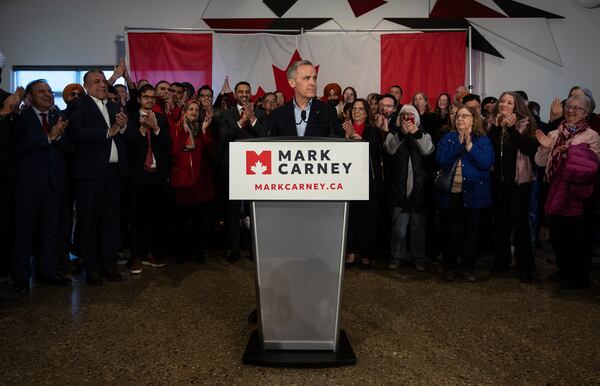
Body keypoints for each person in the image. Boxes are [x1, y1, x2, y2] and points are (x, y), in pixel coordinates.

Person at [11, 80, 73, 292]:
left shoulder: (59, 117)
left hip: (54, 185)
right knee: (24, 233)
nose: (47, 94)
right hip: (29, 185)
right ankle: (20, 277)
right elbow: (18, 147)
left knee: (51, 232)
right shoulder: (21, 119)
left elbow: (69, 149)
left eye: (49, 91)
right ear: (30, 97)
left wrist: (60, 135)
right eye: (41, 92)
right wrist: (48, 137)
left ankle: (48, 272)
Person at [69, 69, 129, 286]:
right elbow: (76, 133)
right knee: (89, 223)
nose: (102, 85)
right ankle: (91, 268)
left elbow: (121, 136)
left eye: (104, 81)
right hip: (89, 176)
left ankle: (108, 265)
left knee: (111, 222)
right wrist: (108, 132)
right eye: (96, 82)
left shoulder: (114, 106)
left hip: (113, 174)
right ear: (86, 86)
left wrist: (122, 128)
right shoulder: (78, 105)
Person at [535, 94, 600, 289]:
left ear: (586, 113)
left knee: (578, 238)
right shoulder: (555, 133)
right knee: (558, 236)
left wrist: (566, 150)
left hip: (578, 194)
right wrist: (546, 148)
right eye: (568, 107)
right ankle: (563, 270)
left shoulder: (592, 136)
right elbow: (539, 162)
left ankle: (578, 277)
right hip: (556, 190)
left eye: (577, 108)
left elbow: (592, 166)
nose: (571, 111)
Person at [436, 105, 494, 282]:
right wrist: (458, 146)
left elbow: (486, 163)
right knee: (451, 232)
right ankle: (449, 267)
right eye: (458, 116)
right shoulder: (448, 138)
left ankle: (468, 267)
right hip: (452, 193)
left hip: (475, 194)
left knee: (471, 232)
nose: (460, 119)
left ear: (473, 119)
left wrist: (469, 145)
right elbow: (440, 161)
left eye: (465, 116)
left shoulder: (483, 140)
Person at [488, 92, 539, 283]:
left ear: (516, 106)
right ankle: (501, 262)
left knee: (520, 226)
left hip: (519, 183)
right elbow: (490, 146)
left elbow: (528, 148)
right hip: (498, 181)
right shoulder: (492, 123)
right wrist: (498, 127)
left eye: (509, 102)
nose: (504, 105)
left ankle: (525, 266)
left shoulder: (526, 124)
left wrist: (510, 129)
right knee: (500, 224)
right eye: (502, 101)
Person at [124, 84, 171, 273]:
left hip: (156, 175)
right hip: (138, 175)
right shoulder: (132, 118)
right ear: (139, 99)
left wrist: (157, 128)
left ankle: (148, 253)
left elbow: (168, 145)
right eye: (146, 97)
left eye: (152, 97)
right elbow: (129, 145)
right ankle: (135, 256)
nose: (150, 100)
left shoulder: (161, 118)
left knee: (153, 217)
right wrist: (143, 129)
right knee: (136, 217)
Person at [220, 81, 268, 262]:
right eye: (241, 92)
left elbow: (265, 137)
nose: (244, 94)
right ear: (235, 94)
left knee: (253, 210)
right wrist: (241, 122)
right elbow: (223, 137)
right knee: (232, 212)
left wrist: (253, 119)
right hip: (233, 168)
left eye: (247, 92)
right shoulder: (227, 114)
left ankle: (254, 250)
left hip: (256, 169)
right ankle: (234, 249)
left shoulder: (261, 115)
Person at [383, 104, 435, 272]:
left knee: (418, 225)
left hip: (419, 187)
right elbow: (389, 149)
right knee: (398, 224)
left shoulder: (424, 133)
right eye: (404, 115)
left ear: (416, 118)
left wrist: (416, 133)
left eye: (411, 115)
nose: (407, 118)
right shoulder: (394, 133)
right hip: (398, 187)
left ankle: (418, 257)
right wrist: (402, 134)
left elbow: (428, 150)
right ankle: (396, 256)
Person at [171, 99, 215, 264]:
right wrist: (183, 133)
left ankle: (198, 251)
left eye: (197, 109)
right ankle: (181, 252)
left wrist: (204, 132)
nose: (194, 112)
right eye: (191, 109)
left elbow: (210, 151)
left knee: (199, 220)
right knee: (181, 221)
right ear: (185, 111)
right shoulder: (177, 127)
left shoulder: (203, 128)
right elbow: (174, 152)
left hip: (200, 181)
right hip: (182, 181)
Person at [341, 98, 383, 269]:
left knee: (367, 219)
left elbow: (373, 150)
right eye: (354, 109)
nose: (356, 111)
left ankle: (365, 254)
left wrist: (355, 138)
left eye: (360, 109)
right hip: (348, 182)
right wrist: (346, 137)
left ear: (367, 112)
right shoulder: (342, 128)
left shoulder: (372, 130)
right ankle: (350, 252)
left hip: (368, 182)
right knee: (351, 217)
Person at [269, 60, 342, 138]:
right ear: (292, 83)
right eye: (307, 78)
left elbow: (337, 146)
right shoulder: (277, 115)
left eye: (314, 78)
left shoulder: (328, 112)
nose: (313, 83)